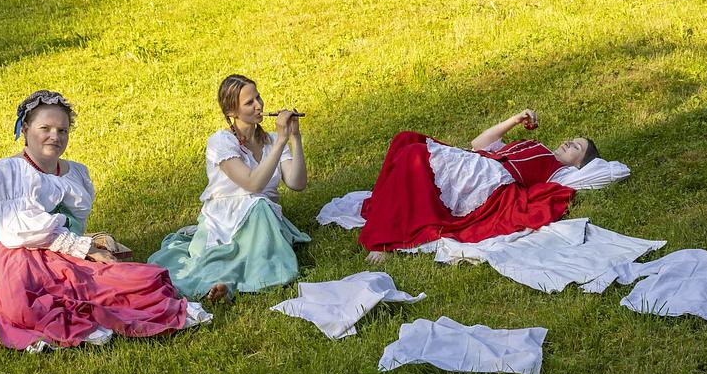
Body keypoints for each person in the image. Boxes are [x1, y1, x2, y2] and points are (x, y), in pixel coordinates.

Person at [0, 90, 212, 352]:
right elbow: (21, 232)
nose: (55, 136)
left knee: (134, 282)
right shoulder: (10, 171)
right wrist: (86, 248)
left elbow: (65, 227)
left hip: (53, 254)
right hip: (7, 260)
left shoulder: (75, 172)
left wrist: (87, 245)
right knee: (33, 303)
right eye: (45, 128)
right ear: (25, 129)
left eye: (62, 130)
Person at [360, 109, 602, 263]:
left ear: (578, 164)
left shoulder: (560, 172)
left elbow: (607, 171)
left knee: (413, 154)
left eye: (576, 147)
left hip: (490, 177)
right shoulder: (535, 145)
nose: (568, 143)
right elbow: (479, 143)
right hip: (476, 160)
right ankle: (384, 210)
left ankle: (383, 242)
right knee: (405, 139)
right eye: (572, 140)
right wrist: (514, 120)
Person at [148, 75, 309, 301]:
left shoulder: (272, 141)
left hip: (263, 220)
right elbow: (253, 184)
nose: (259, 105)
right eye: (249, 102)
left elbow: (297, 183)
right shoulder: (221, 142)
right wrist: (281, 142)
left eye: (258, 97)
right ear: (232, 112)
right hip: (226, 218)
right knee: (256, 207)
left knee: (260, 207)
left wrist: (294, 138)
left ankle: (227, 282)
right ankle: (224, 282)